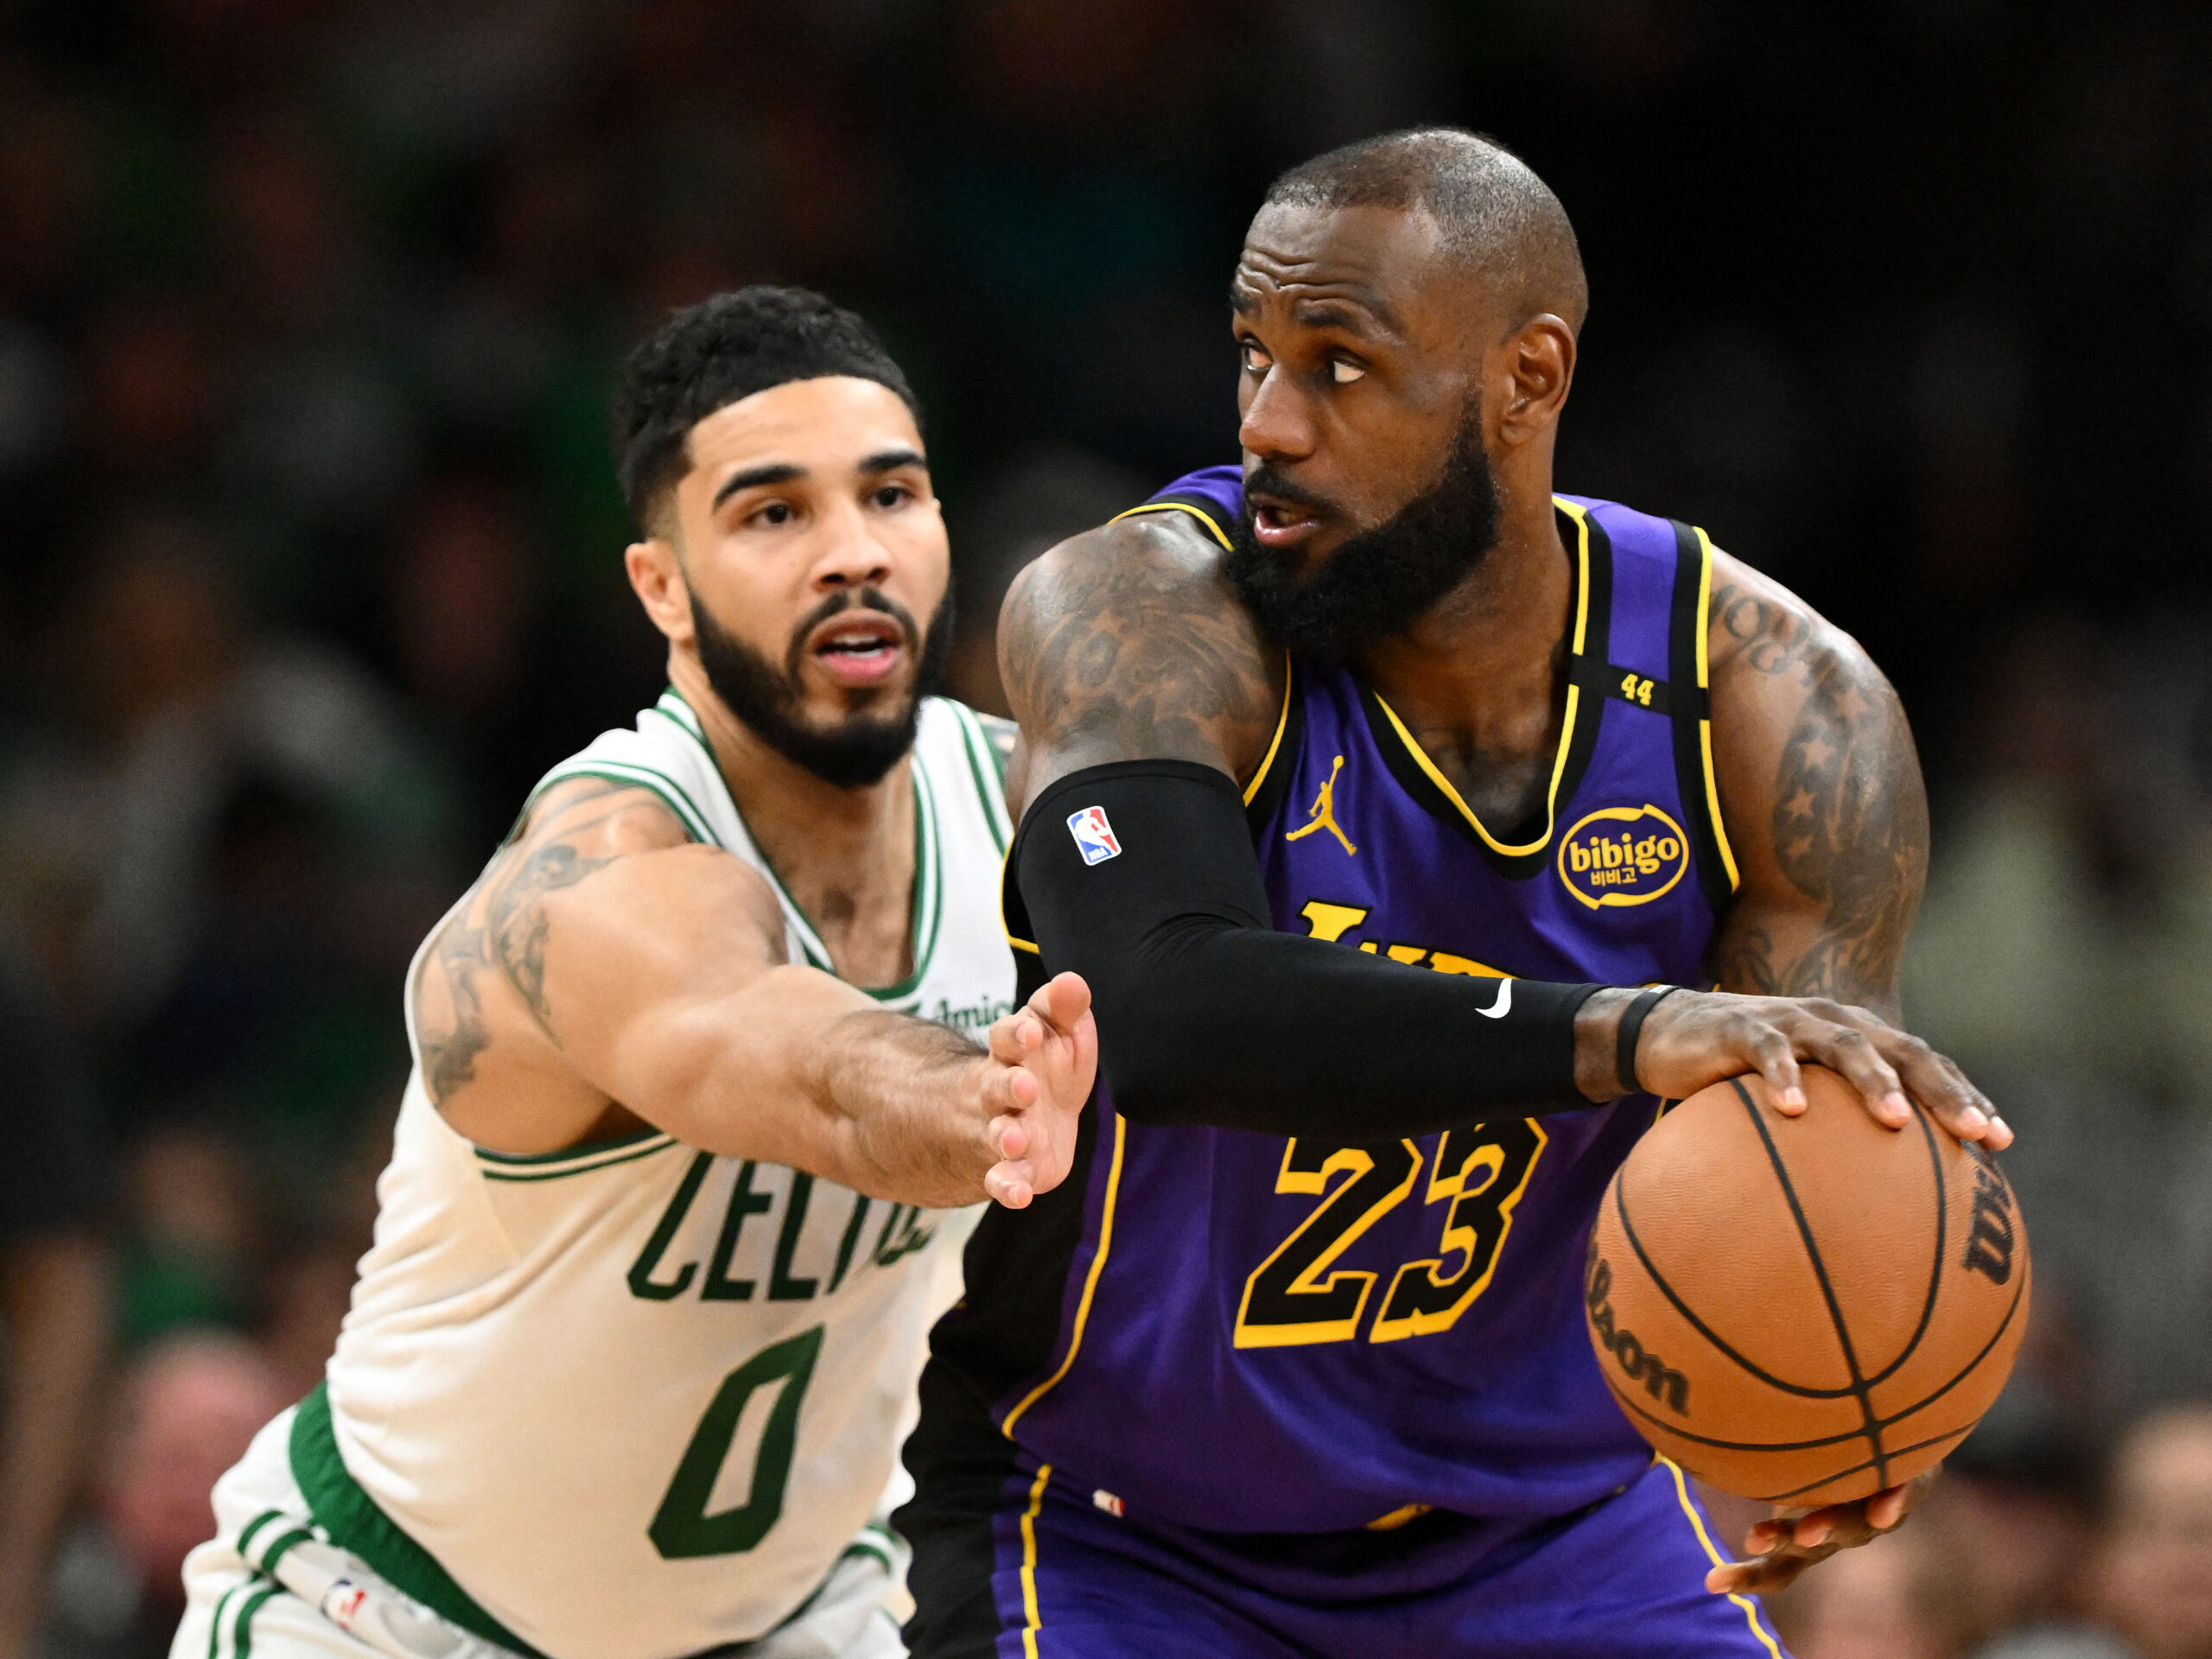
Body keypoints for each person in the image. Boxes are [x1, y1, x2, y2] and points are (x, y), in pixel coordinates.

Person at [901, 130, 2013, 1658]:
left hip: (1559, 1535)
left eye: (1340, 365)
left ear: (1527, 378)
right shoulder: (1143, 607)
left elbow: (1815, 1156)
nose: (1270, 423)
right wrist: (1624, 1031)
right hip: (1128, 1531)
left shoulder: (1776, 707)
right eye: (1251, 355)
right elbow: (1158, 1004)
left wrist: (1863, 1386)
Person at [169, 287, 1098, 1659]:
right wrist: (1002, 1108)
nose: (853, 554)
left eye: (891, 496)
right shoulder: (596, 876)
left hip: (793, 1615)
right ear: (660, 584)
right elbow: (813, 1073)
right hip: (395, 1619)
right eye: (774, 514)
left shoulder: (1032, 816)